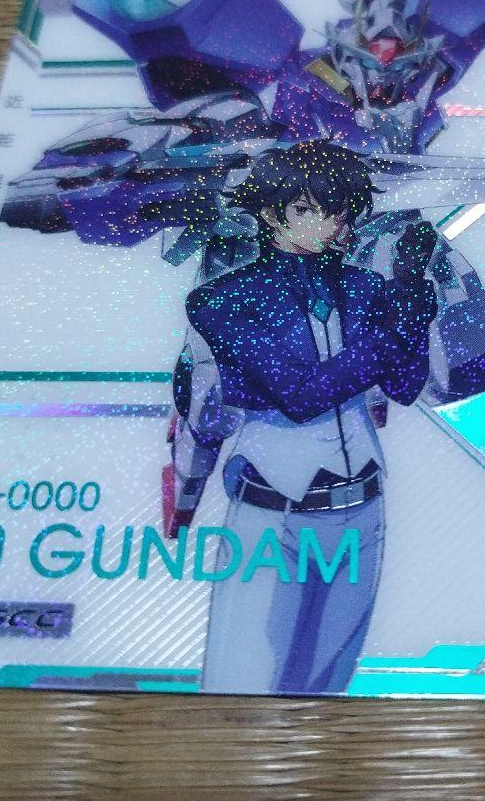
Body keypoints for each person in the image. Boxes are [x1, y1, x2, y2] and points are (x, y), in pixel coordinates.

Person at [166, 140, 438, 695]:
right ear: (271, 213)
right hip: (274, 512)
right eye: (310, 209)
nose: (330, 224)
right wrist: (394, 332)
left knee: (329, 685)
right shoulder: (223, 300)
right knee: (242, 680)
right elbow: (300, 394)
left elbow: (405, 388)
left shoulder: (365, 287)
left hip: (363, 509)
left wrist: (411, 299)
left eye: (341, 211)